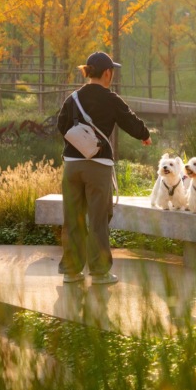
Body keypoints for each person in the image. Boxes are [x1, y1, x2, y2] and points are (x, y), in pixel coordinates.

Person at [57, 51, 152, 285]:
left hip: (71, 166)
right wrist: (145, 135)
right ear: (107, 73)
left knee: (73, 218)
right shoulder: (111, 99)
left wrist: (80, 142)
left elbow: (62, 125)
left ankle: (71, 271)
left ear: (88, 72)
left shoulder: (73, 98)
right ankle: (99, 272)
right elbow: (129, 120)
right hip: (98, 167)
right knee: (98, 219)